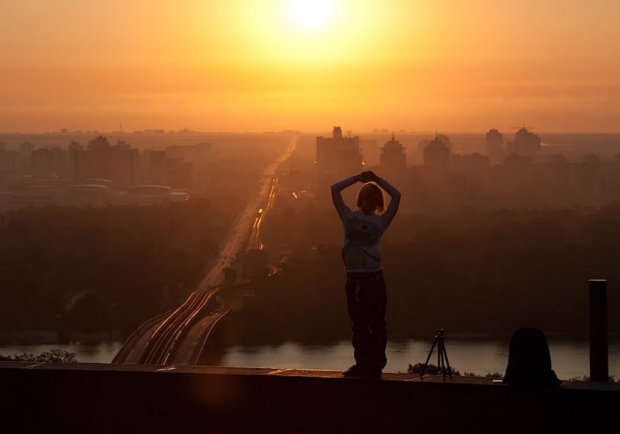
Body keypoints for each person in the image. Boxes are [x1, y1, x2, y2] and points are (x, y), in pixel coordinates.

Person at [331, 170, 401, 379]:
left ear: (379, 202)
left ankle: (376, 365)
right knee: (359, 324)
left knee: (376, 323)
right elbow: (334, 190)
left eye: (375, 198)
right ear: (360, 198)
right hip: (353, 281)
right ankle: (361, 363)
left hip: (374, 281)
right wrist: (357, 178)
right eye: (367, 196)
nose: (370, 201)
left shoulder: (381, 222)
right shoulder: (348, 216)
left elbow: (397, 196)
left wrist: (378, 180)